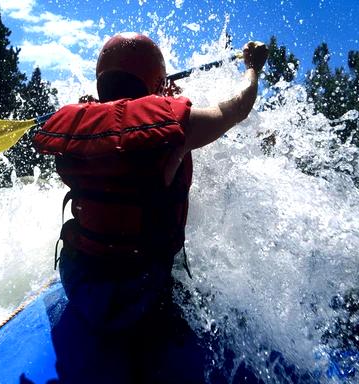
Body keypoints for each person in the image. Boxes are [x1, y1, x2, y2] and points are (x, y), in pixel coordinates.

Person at [32, 32, 268, 383]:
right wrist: (252, 70)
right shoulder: (176, 127)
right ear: (157, 80)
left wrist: (95, 107)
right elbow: (234, 109)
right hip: (137, 294)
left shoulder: (80, 122)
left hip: (78, 283)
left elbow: (113, 126)